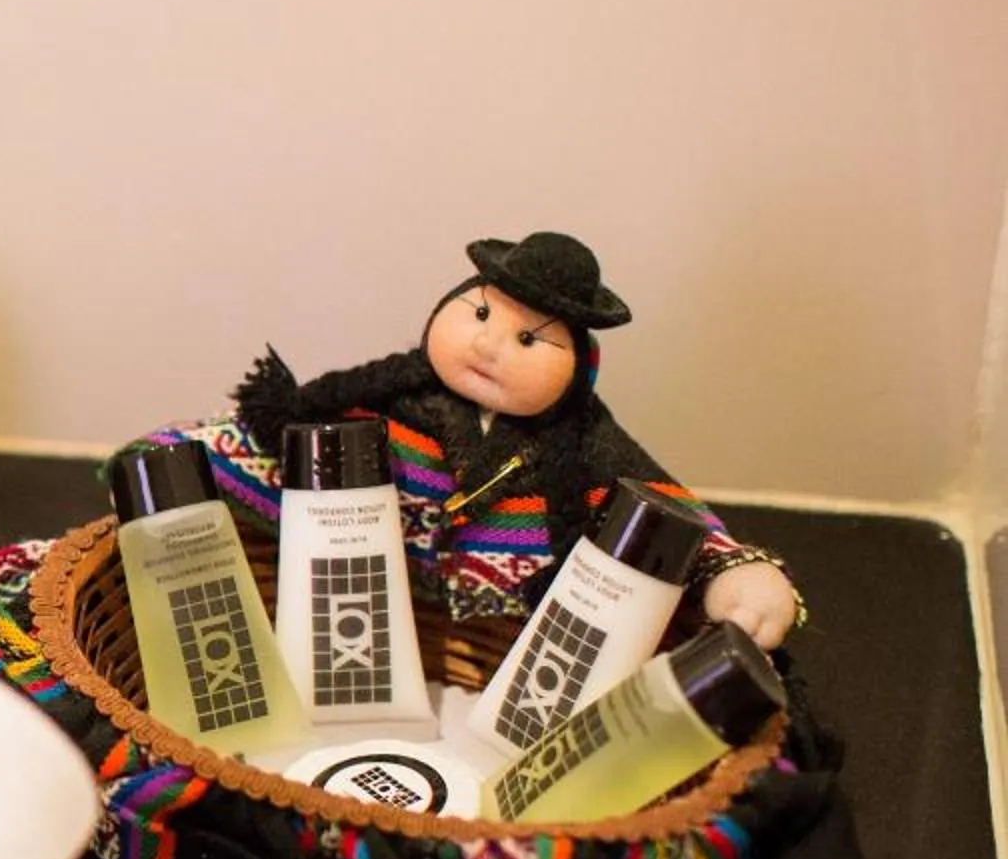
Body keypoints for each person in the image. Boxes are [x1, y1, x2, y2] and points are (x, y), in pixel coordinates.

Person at [215, 231, 802, 647]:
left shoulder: (583, 438)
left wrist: (733, 568)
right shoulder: (396, 393)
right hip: (370, 577)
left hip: (509, 611)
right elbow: (297, 428)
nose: (489, 346)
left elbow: (659, 506)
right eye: (478, 316)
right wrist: (204, 453)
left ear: (578, 368)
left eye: (528, 341)